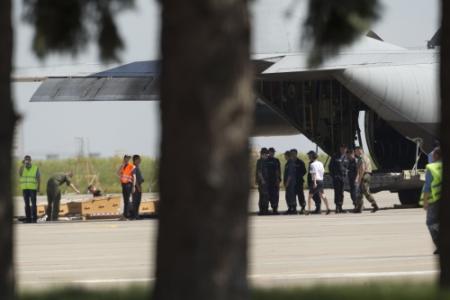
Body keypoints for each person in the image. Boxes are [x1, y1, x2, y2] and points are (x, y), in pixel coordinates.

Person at [421, 147, 442, 255]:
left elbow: (427, 187)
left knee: (431, 223)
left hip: (435, 200)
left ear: (436, 156)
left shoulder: (432, 167)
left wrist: (425, 201)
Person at [354, 147, 379, 213]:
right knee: (360, 192)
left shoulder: (361, 158)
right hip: (367, 175)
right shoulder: (365, 156)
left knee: (365, 191)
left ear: (360, 150)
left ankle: (374, 205)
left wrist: (359, 179)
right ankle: (359, 208)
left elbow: (362, 169)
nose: (355, 153)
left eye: (356, 151)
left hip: (365, 175)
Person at [19, 155, 40, 223]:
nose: (27, 161)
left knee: (33, 204)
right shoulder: (22, 168)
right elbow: (20, 173)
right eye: (26, 160)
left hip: (33, 189)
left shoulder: (35, 168)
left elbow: (38, 178)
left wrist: (38, 187)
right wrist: (23, 165)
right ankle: (28, 219)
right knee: (26, 204)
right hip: (25, 189)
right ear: (24, 161)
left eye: (28, 160)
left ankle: (34, 218)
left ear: (31, 160)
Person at [329, 144, 347, 213]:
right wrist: (333, 176)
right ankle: (337, 207)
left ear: (346, 149)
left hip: (343, 177)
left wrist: (346, 174)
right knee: (337, 192)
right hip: (336, 177)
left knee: (341, 193)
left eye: (344, 148)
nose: (343, 150)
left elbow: (348, 167)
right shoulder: (335, 156)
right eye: (342, 148)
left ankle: (341, 206)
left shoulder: (346, 157)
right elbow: (330, 167)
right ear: (340, 149)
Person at [117, 155, 136, 220]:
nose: (127, 159)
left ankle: (126, 216)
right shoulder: (122, 166)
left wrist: (133, 186)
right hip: (124, 185)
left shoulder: (132, 166)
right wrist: (122, 166)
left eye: (128, 158)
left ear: (129, 159)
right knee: (125, 201)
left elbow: (134, 177)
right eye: (126, 158)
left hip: (129, 184)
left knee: (127, 200)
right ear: (124, 159)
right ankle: (125, 215)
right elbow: (118, 173)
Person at [291, 149, 307, 214]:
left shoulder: (300, 162)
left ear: (296, 154)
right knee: (293, 195)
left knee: (301, 195)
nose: (293, 155)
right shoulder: (290, 162)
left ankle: (303, 207)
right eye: (291, 153)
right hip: (292, 182)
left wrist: (299, 176)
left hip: (299, 182)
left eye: (294, 153)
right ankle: (294, 208)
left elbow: (304, 171)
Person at [256, 148, 270, 215]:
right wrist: (262, 180)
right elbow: (259, 172)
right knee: (264, 196)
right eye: (266, 154)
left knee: (263, 196)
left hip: (265, 182)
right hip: (263, 183)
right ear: (262, 154)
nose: (267, 155)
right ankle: (264, 210)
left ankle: (263, 210)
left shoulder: (265, 161)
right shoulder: (260, 162)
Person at [266, 147, 281, 214]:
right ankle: (266, 209)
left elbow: (278, 171)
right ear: (268, 152)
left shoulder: (276, 160)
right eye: (271, 152)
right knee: (267, 195)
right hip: (267, 181)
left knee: (275, 195)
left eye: (273, 152)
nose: (272, 153)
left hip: (275, 181)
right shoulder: (265, 160)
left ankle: (275, 209)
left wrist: (278, 180)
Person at [132, 154, 144, 220]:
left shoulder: (137, 167)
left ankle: (136, 215)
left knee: (138, 201)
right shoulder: (134, 167)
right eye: (139, 159)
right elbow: (134, 178)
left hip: (138, 186)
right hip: (136, 187)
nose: (140, 160)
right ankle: (135, 216)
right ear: (136, 160)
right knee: (135, 201)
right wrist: (138, 187)